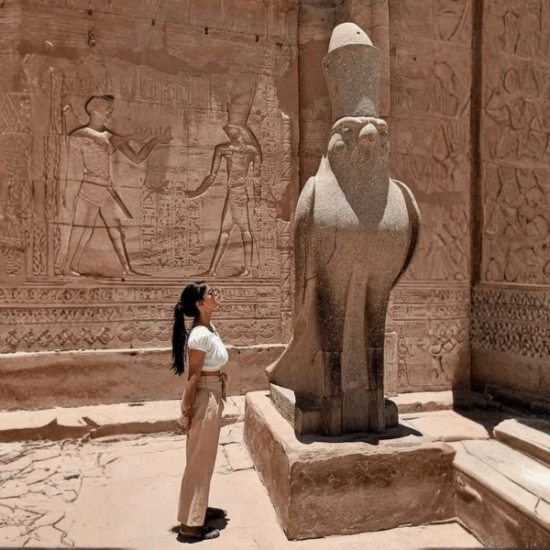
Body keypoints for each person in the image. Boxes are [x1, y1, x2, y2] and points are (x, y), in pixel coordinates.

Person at [61, 94, 172, 278]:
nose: (110, 115)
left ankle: (127, 269)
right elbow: (73, 169)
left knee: (115, 228)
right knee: (83, 228)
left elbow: (137, 158)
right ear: (95, 111)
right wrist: (67, 195)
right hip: (89, 187)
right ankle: (68, 266)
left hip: (106, 188)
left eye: (110, 111)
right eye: (107, 110)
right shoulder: (79, 136)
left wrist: (154, 141)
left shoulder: (110, 137)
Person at [172, 281, 229, 541]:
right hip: (204, 397)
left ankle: (198, 509)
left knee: (204, 458)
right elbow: (194, 376)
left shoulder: (209, 328)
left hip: (212, 393)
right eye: (210, 293)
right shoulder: (200, 335)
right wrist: (186, 411)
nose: (216, 295)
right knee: (199, 459)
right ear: (199, 304)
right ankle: (190, 527)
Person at [185, 124, 261, 277]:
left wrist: (258, 204)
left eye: (231, 129)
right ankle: (214, 270)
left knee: (240, 230)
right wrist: (196, 192)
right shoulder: (226, 149)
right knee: (227, 231)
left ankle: (246, 270)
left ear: (239, 131)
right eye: (227, 130)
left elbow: (257, 179)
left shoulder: (249, 151)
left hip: (238, 194)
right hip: (235, 194)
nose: (227, 131)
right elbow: (212, 177)